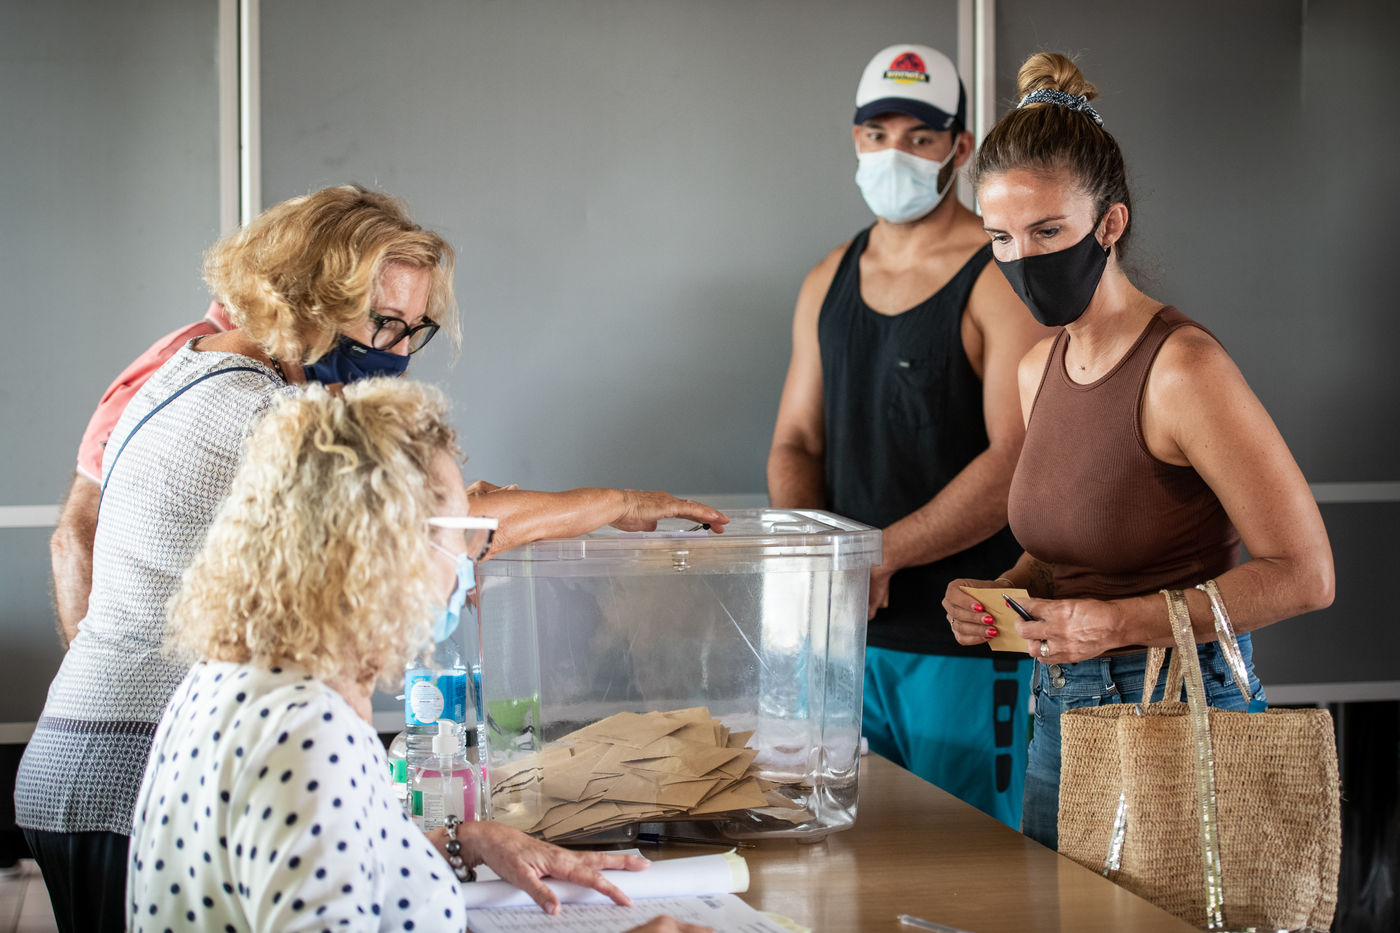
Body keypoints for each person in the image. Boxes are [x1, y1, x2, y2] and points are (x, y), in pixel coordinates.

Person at [15, 183, 726, 932]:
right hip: (123, 777)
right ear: (303, 295)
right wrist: (616, 502)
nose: (395, 354)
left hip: (119, 755)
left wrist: (457, 839)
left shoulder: (183, 369)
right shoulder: (269, 417)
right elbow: (440, 524)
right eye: (381, 321)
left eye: (413, 331)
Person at [129, 379, 709, 933]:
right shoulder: (311, 733)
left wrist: (466, 843)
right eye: (462, 536)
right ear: (383, 551)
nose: (470, 564)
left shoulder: (224, 682)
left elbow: (333, 866)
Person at [941, 52, 1334, 850]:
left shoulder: (1183, 369)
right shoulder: (1036, 369)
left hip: (1177, 703)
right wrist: (1006, 592)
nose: (1023, 259)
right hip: (1060, 702)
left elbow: (1306, 574)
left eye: (1048, 231)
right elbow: (1076, 545)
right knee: (1055, 907)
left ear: (1109, 224)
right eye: (1001, 237)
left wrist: (1116, 623)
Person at [766, 43, 1049, 828]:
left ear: (959, 148)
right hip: (845, 646)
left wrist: (880, 554)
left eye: (920, 137)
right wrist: (823, 555)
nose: (896, 153)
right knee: (850, 859)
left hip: (967, 639)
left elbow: (1017, 459)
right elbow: (795, 442)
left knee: (973, 863)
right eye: (878, 133)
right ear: (856, 139)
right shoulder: (827, 278)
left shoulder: (999, 278)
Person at [50, 301, 232, 645]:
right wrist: (95, 668)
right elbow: (77, 535)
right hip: (151, 655)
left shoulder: (277, 366)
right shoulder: (183, 362)